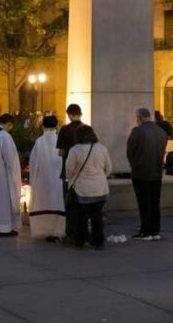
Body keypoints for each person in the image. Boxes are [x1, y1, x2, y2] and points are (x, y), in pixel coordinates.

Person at [64, 124, 114, 249]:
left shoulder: (75, 150)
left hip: (82, 189)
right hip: (100, 188)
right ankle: (98, 240)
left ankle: (81, 240)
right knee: (97, 216)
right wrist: (101, 176)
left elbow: (69, 170)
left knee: (81, 217)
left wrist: (70, 179)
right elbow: (109, 168)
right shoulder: (102, 148)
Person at [126, 108, 168, 241]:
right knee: (155, 202)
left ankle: (146, 231)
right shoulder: (161, 132)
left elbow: (130, 151)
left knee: (144, 203)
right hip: (156, 172)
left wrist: (134, 164)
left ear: (139, 118)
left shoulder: (137, 131)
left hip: (141, 172)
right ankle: (155, 231)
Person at [28, 115, 66, 241]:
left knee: (44, 204)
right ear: (57, 126)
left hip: (42, 180)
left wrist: (33, 179)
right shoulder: (60, 139)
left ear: (43, 126)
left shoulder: (39, 142)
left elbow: (33, 162)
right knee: (57, 203)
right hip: (58, 179)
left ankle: (43, 231)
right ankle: (58, 231)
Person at [57, 104, 84, 238]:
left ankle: (70, 229)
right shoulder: (87, 129)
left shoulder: (65, 129)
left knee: (68, 200)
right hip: (83, 170)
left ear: (69, 114)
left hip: (68, 169)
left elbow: (61, 152)